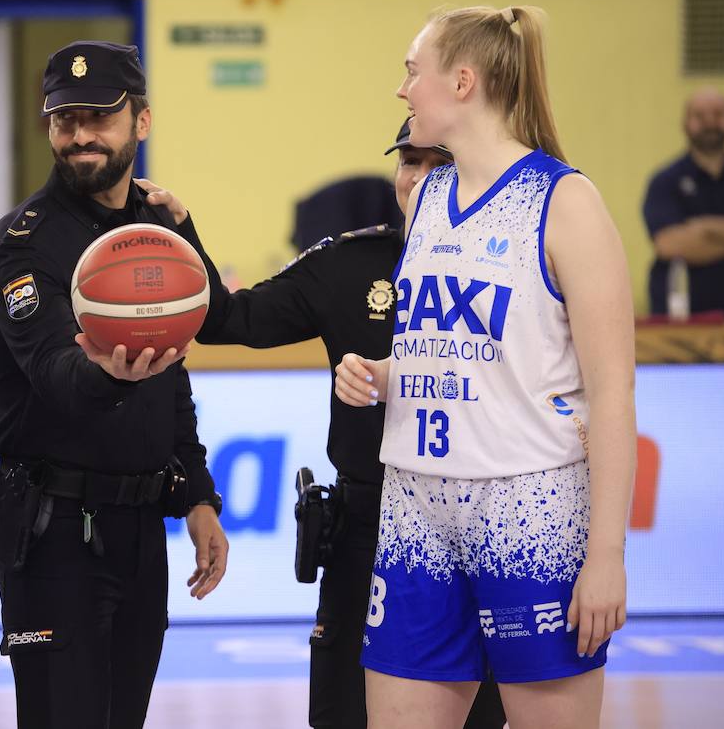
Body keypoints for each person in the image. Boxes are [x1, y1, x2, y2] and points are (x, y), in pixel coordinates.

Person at [141, 119, 504, 729]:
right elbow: (231, 319)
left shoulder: (512, 266)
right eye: (407, 163)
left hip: (476, 528)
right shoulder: (349, 264)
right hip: (368, 528)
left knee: (478, 717)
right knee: (344, 714)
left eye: (435, 164)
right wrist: (181, 230)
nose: (416, 179)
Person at [332, 6, 636, 728]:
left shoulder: (566, 201)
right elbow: (454, 354)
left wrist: (607, 554)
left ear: (462, 82)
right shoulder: (428, 196)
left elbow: (614, 393)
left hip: (528, 508)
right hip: (415, 508)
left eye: (413, 71)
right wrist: (382, 374)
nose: (403, 90)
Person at [0, 40, 229, 729]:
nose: (79, 135)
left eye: (98, 117)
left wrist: (198, 494)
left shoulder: (155, 234)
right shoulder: (19, 244)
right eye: (64, 119)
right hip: (53, 535)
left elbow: (173, 384)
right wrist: (105, 372)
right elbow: (53, 370)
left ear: (141, 122)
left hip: (142, 530)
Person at [642, 87, 724, 330]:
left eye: (718, 114)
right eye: (700, 116)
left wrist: (703, 227)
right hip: (682, 325)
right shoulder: (665, 181)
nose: (710, 122)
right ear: (686, 124)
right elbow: (669, 244)